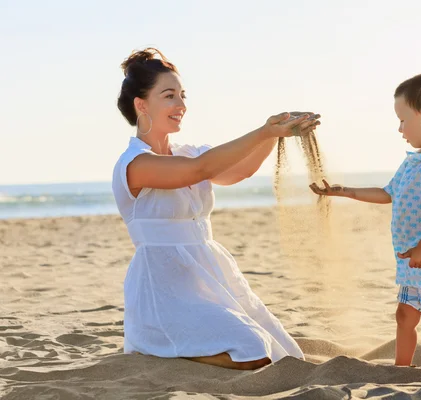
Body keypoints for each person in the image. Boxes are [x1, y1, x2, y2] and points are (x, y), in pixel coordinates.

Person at [112, 48, 320, 370]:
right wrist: (264, 131)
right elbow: (199, 170)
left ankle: (174, 346)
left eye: (182, 95)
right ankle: (154, 345)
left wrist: (276, 133)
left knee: (284, 353)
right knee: (252, 350)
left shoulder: (188, 152)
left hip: (207, 273)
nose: (181, 105)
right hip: (163, 285)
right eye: (169, 96)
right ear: (142, 105)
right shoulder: (136, 164)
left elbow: (238, 171)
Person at [309, 71, 421, 380]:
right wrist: (345, 192)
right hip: (414, 261)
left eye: (403, 120)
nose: (400, 129)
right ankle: (401, 370)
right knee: (405, 315)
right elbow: (388, 193)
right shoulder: (415, 160)